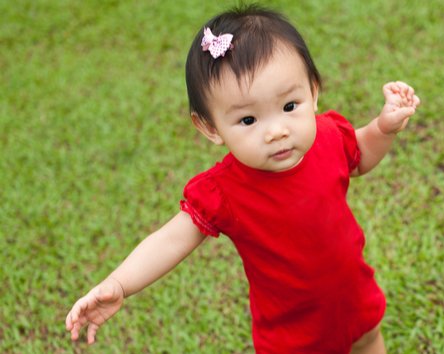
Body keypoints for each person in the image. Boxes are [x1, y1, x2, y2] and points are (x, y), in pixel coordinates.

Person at [64, 4, 420, 353]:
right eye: (249, 120)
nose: (276, 131)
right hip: (292, 330)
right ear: (210, 127)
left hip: (353, 295)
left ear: (312, 91)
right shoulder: (224, 191)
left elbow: (357, 156)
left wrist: (382, 128)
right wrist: (119, 284)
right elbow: (170, 240)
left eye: (289, 106)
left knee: (369, 341)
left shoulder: (327, 135)